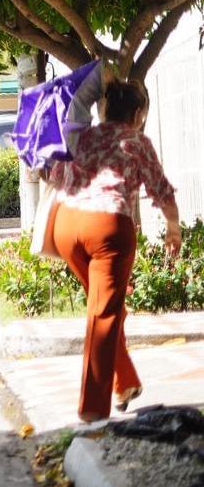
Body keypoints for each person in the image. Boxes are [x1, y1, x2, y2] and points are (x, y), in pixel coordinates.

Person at [48, 76, 180, 423]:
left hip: (66, 226)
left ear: (105, 109)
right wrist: (173, 227)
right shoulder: (136, 141)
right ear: (137, 113)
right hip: (107, 229)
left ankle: (125, 382)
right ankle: (92, 412)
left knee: (103, 309)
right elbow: (161, 190)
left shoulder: (82, 135)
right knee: (104, 317)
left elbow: (55, 176)